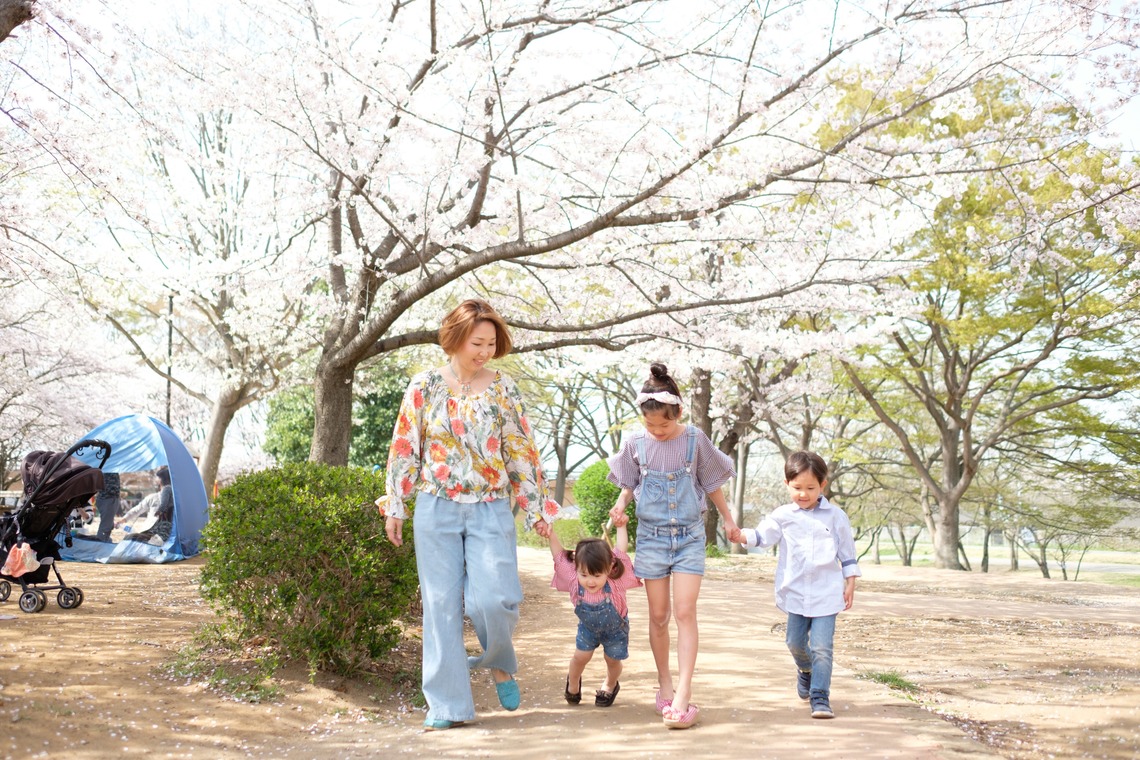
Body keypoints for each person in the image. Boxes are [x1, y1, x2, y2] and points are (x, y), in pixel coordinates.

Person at [376, 298, 562, 731]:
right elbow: (405, 447)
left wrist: (536, 508)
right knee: (439, 605)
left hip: (491, 506)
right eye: (477, 342)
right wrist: (396, 505)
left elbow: (521, 451)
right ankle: (448, 706)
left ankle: (499, 663)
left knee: (495, 597)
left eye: (491, 343)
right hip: (435, 506)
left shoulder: (503, 388)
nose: (484, 351)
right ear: (455, 338)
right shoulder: (424, 386)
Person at [606, 362, 740, 730]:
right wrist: (620, 507)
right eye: (650, 425)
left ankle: (683, 693)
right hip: (650, 538)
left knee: (684, 612)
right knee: (659, 617)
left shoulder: (695, 439)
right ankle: (664, 682)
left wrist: (727, 519)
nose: (657, 431)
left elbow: (712, 482)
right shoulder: (636, 443)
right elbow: (629, 484)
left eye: (664, 425)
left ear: (677, 413)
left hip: (689, 537)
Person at [731, 450, 860, 719]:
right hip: (796, 591)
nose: (803, 494)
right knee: (795, 642)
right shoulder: (783, 515)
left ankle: (820, 697)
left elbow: (847, 554)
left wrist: (850, 582)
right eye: (797, 487)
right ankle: (806, 670)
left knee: (823, 646)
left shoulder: (836, 517)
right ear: (787, 484)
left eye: (810, 488)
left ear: (823, 485)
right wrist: (740, 534)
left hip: (827, 592)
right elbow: (762, 536)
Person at [548, 512, 641, 708]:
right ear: (577, 570)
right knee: (580, 657)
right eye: (585, 574)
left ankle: (610, 684)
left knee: (613, 660)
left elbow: (621, 551)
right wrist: (551, 534)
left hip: (616, 630)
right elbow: (558, 556)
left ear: (610, 568)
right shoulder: (574, 578)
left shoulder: (615, 580)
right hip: (588, 629)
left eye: (597, 575)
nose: (590, 581)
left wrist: (620, 526)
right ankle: (573, 683)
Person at [124, 466, 175, 545]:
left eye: (157, 477)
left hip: (159, 527)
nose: (155, 479)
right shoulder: (174, 493)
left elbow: (163, 504)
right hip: (168, 528)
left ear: (161, 480)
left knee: (131, 538)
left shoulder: (166, 490)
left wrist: (159, 511)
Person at [94, 471, 121, 542]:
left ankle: (104, 542)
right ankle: (101, 545)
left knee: (107, 524)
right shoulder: (110, 466)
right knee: (105, 528)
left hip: (105, 498)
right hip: (108, 498)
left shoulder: (105, 466)